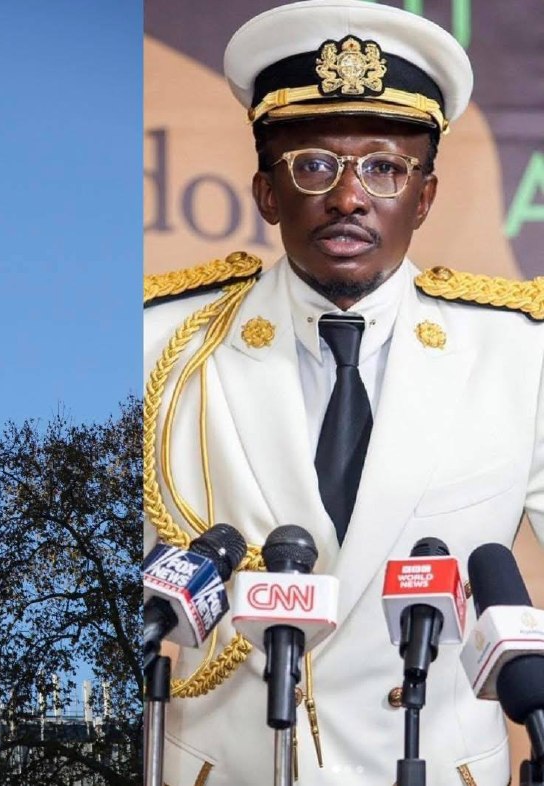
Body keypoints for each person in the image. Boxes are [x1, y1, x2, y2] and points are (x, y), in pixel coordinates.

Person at [143, 1, 544, 784]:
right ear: (265, 193)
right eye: (315, 165)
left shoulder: (520, 350)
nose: (350, 197)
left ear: (424, 199)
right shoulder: (162, 341)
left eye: (385, 167)